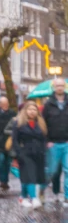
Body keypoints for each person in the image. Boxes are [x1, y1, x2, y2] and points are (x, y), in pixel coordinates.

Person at [12, 101, 47, 209]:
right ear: (25, 111)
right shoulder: (18, 123)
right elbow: (15, 140)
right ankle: (33, 198)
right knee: (30, 175)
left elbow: (44, 138)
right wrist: (19, 153)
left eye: (34, 110)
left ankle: (22, 197)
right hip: (25, 153)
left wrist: (44, 150)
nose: (32, 112)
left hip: (39, 153)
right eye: (30, 109)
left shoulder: (41, 123)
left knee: (31, 176)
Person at [43, 77, 68, 206]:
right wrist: (47, 140)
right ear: (54, 87)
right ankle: (53, 192)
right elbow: (43, 124)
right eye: (57, 86)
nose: (60, 88)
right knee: (53, 171)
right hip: (53, 143)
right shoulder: (48, 104)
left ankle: (67, 197)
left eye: (62, 86)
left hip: (67, 142)